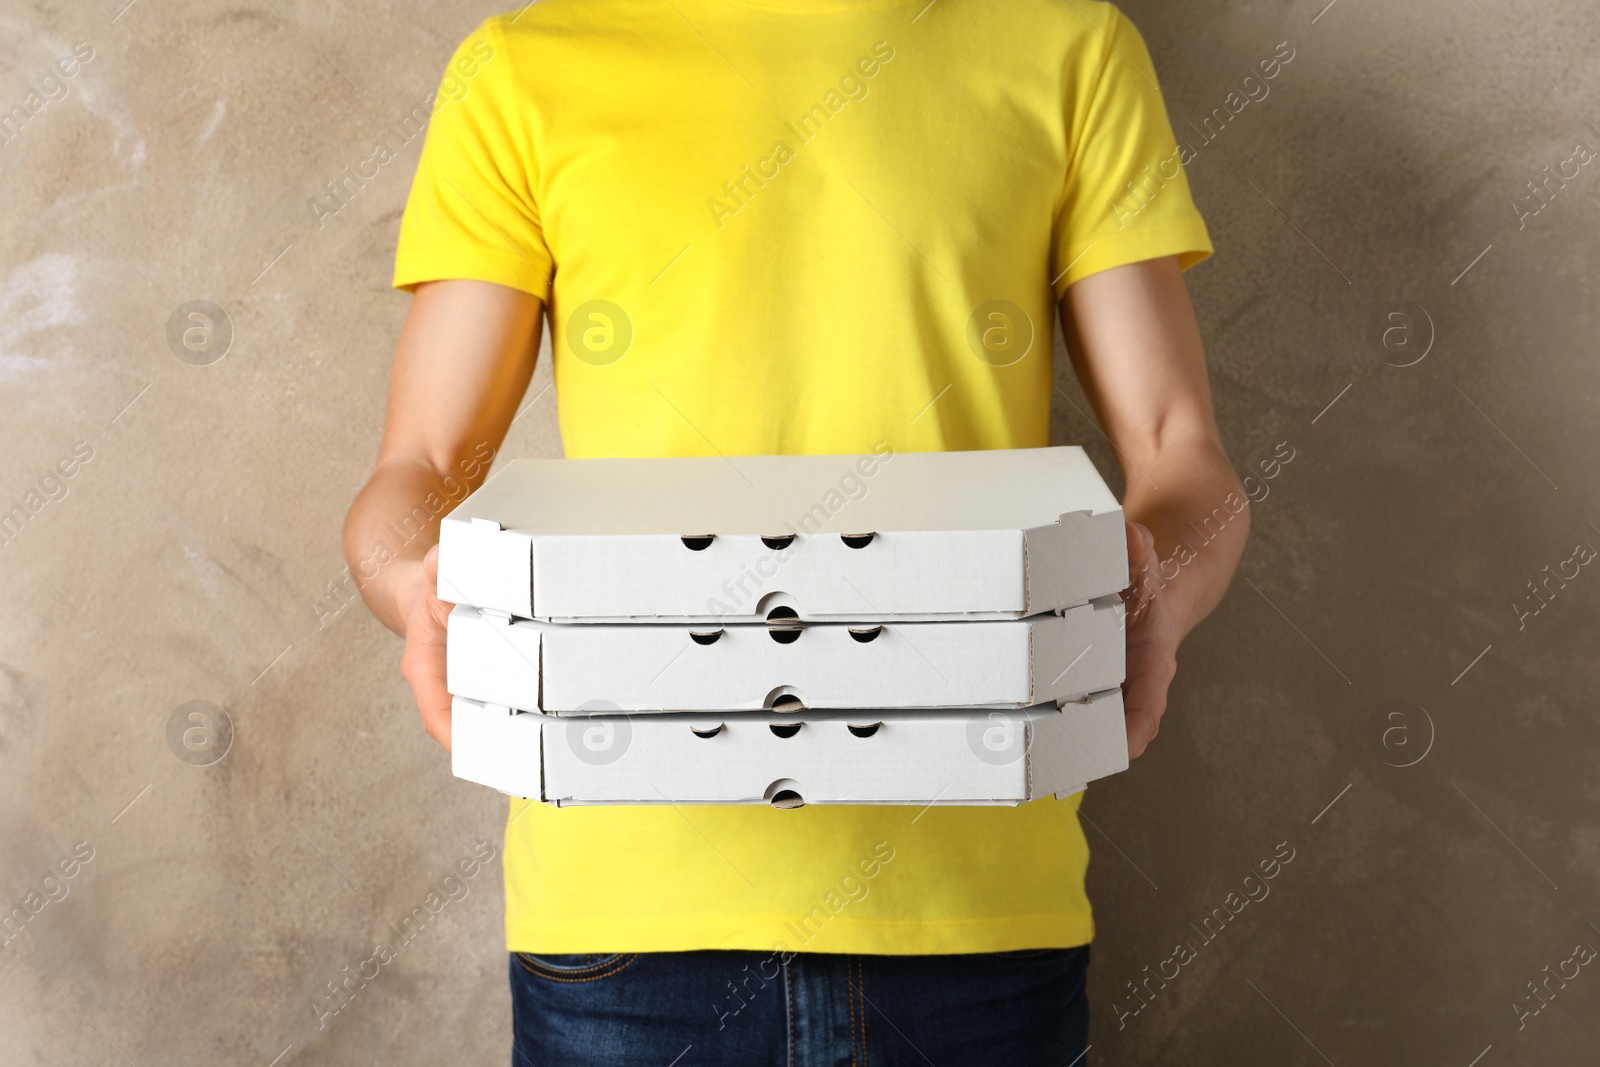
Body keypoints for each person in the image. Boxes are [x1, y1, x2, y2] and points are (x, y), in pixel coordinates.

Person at [344, 0, 1248, 1062]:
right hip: (627, 922)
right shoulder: (521, 72)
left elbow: (1181, 455)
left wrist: (1155, 593)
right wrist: (415, 582)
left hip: (975, 907)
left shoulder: (1069, 49)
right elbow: (418, 469)